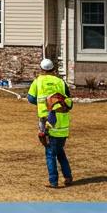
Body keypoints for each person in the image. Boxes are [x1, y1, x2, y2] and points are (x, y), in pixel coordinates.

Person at [27, 58, 73, 189]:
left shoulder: (38, 81)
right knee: (59, 151)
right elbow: (68, 98)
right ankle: (68, 177)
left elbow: (30, 98)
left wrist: (41, 104)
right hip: (63, 123)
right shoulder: (60, 81)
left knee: (50, 152)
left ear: (41, 69)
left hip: (47, 122)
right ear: (53, 69)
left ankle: (53, 181)